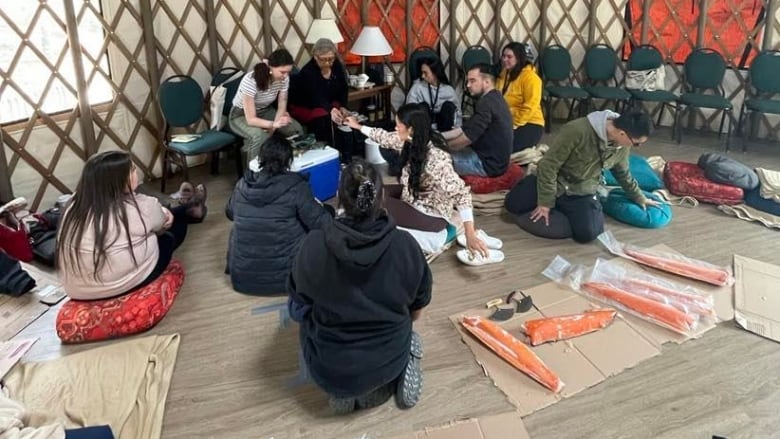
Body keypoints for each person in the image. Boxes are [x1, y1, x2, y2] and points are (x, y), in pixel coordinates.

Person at [288, 159, 431, 413]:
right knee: (408, 324)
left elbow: (299, 307)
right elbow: (417, 312)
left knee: (298, 307)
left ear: (340, 200)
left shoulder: (313, 244)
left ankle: (345, 390)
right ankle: (394, 372)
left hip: (329, 369)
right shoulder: (406, 245)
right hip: (388, 360)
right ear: (381, 199)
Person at [345, 103, 503, 262]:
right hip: (415, 197)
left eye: (398, 125)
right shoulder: (411, 139)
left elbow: (461, 194)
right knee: (377, 190)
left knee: (376, 202)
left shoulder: (436, 159)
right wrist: (357, 126)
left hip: (431, 215)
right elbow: (385, 137)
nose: (395, 128)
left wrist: (470, 234)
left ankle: (451, 234)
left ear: (411, 129)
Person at [57, 151, 207, 300]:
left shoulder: (72, 204)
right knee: (169, 234)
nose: (137, 172)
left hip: (77, 290)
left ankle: (190, 207)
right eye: (133, 170)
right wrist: (163, 214)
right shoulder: (140, 206)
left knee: (152, 225)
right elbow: (163, 224)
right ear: (121, 179)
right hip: (120, 286)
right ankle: (190, 209)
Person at [504, 109, 660, 243]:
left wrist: (639, 197)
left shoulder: (621, 145)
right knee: (513, 204)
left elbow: (623, 173)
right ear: (622, 133)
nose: (636, 147)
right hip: (556, 180)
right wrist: (545, 202)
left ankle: (563, 211)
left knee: (588, 234)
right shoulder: (577, 130)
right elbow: (548, 166)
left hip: (582, 189)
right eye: (637, 143)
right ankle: (553, 207)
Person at [225, 134, 332, 295]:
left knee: (238, 229)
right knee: (318, 227)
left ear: (260, 159)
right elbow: (322, 224)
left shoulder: (242, 185)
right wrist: (328, 210)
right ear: (288, 161)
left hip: (243, 281)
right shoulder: (296, 186)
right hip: (287, 281)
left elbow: (230, 213)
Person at [228, 48, 304, 167]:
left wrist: (275, 126)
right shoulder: (251, 80)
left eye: (288, 72)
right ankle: (254, 177)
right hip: (240, 115)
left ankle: (289, 169)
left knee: (295, 129)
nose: (285, 76)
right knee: (259, 137)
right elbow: (251, 119)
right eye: (282, 72)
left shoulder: (284, 79)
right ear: (270, 68)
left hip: (265, 110)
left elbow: (282, 104)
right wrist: (273, 125)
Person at [288, 38, 360, 163]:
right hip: (306, 105)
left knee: (344, 116)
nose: (327, 62)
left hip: (328, 100)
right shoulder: (308, 72)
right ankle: (326, 154)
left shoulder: (337, 65)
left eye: (330, 58)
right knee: (323, 117)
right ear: (315, 57)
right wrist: (331, 109)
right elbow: (314, 96)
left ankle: (346, 156)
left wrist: (342, 106)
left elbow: (343, 88)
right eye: (323, 59)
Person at [441, 63, 513, 177]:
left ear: (487, 82)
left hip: (487, 165)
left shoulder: (486, 103)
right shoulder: (495, 97)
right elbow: (464, 129)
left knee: (434, 160)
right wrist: (438, 136)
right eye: (467, 81)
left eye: (473, 80)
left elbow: (465, 139)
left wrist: (441, 148)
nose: (468, 85)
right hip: (495, 160)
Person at [495, 42, 545, 152]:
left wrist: (514, 124)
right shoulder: (505, 73)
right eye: (503, 56)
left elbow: (530, 107)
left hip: (530, 123)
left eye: (509, 57)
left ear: (518, 58)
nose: (505, 60)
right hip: (507, 120)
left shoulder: (531, 78)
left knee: (503, 147)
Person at [405, 57, 460, 131]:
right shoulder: (417, 88)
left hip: (444, 128)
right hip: (424, 129)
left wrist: (458, 131)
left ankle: (444, 139)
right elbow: (409, 109)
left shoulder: (448, 90)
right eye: (422, 72)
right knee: (422, 106)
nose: (422, 76)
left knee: (449, 106)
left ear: (435, 73)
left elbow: (457, 112)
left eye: (425, 73)